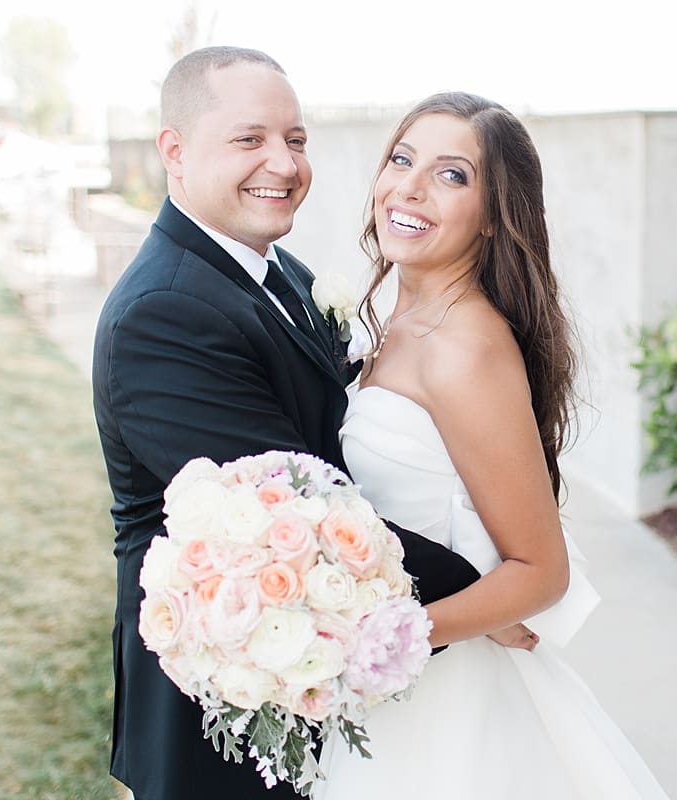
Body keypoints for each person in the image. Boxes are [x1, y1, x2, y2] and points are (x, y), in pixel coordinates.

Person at [91, 47, 481, 800]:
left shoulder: (281, 273)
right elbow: (301, 513)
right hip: (217, 716)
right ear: (173, 150)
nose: (284, 162)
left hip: (311, 673)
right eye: (250, 139)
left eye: (296, 140)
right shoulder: (163, 313)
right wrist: (485, 594)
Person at [315, 92, 670, 799]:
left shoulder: (465, 347)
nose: (410, 187)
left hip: (439, 699)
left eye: (452, 175)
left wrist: (382, 642)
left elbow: (541, 570)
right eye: (402, 159)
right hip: (394, 685)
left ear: (491, 219)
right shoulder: (398, 320)